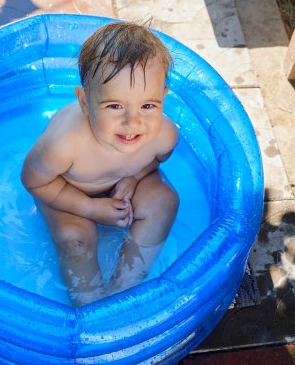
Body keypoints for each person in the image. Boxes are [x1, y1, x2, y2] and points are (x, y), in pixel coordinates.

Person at [21, 22, 179, 307]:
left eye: (148, 105)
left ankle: (123, 290)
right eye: (115, 106)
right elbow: (34, 181)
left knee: (165, 201)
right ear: (84, 102)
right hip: (67, 192)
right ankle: (91, 308)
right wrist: (90, 208)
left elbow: (156, 161)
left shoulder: (164, 135)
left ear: (163, 98)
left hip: (123, 185)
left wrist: (135, 178)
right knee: (74, 239)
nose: (133, 123)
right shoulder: (64, 143)